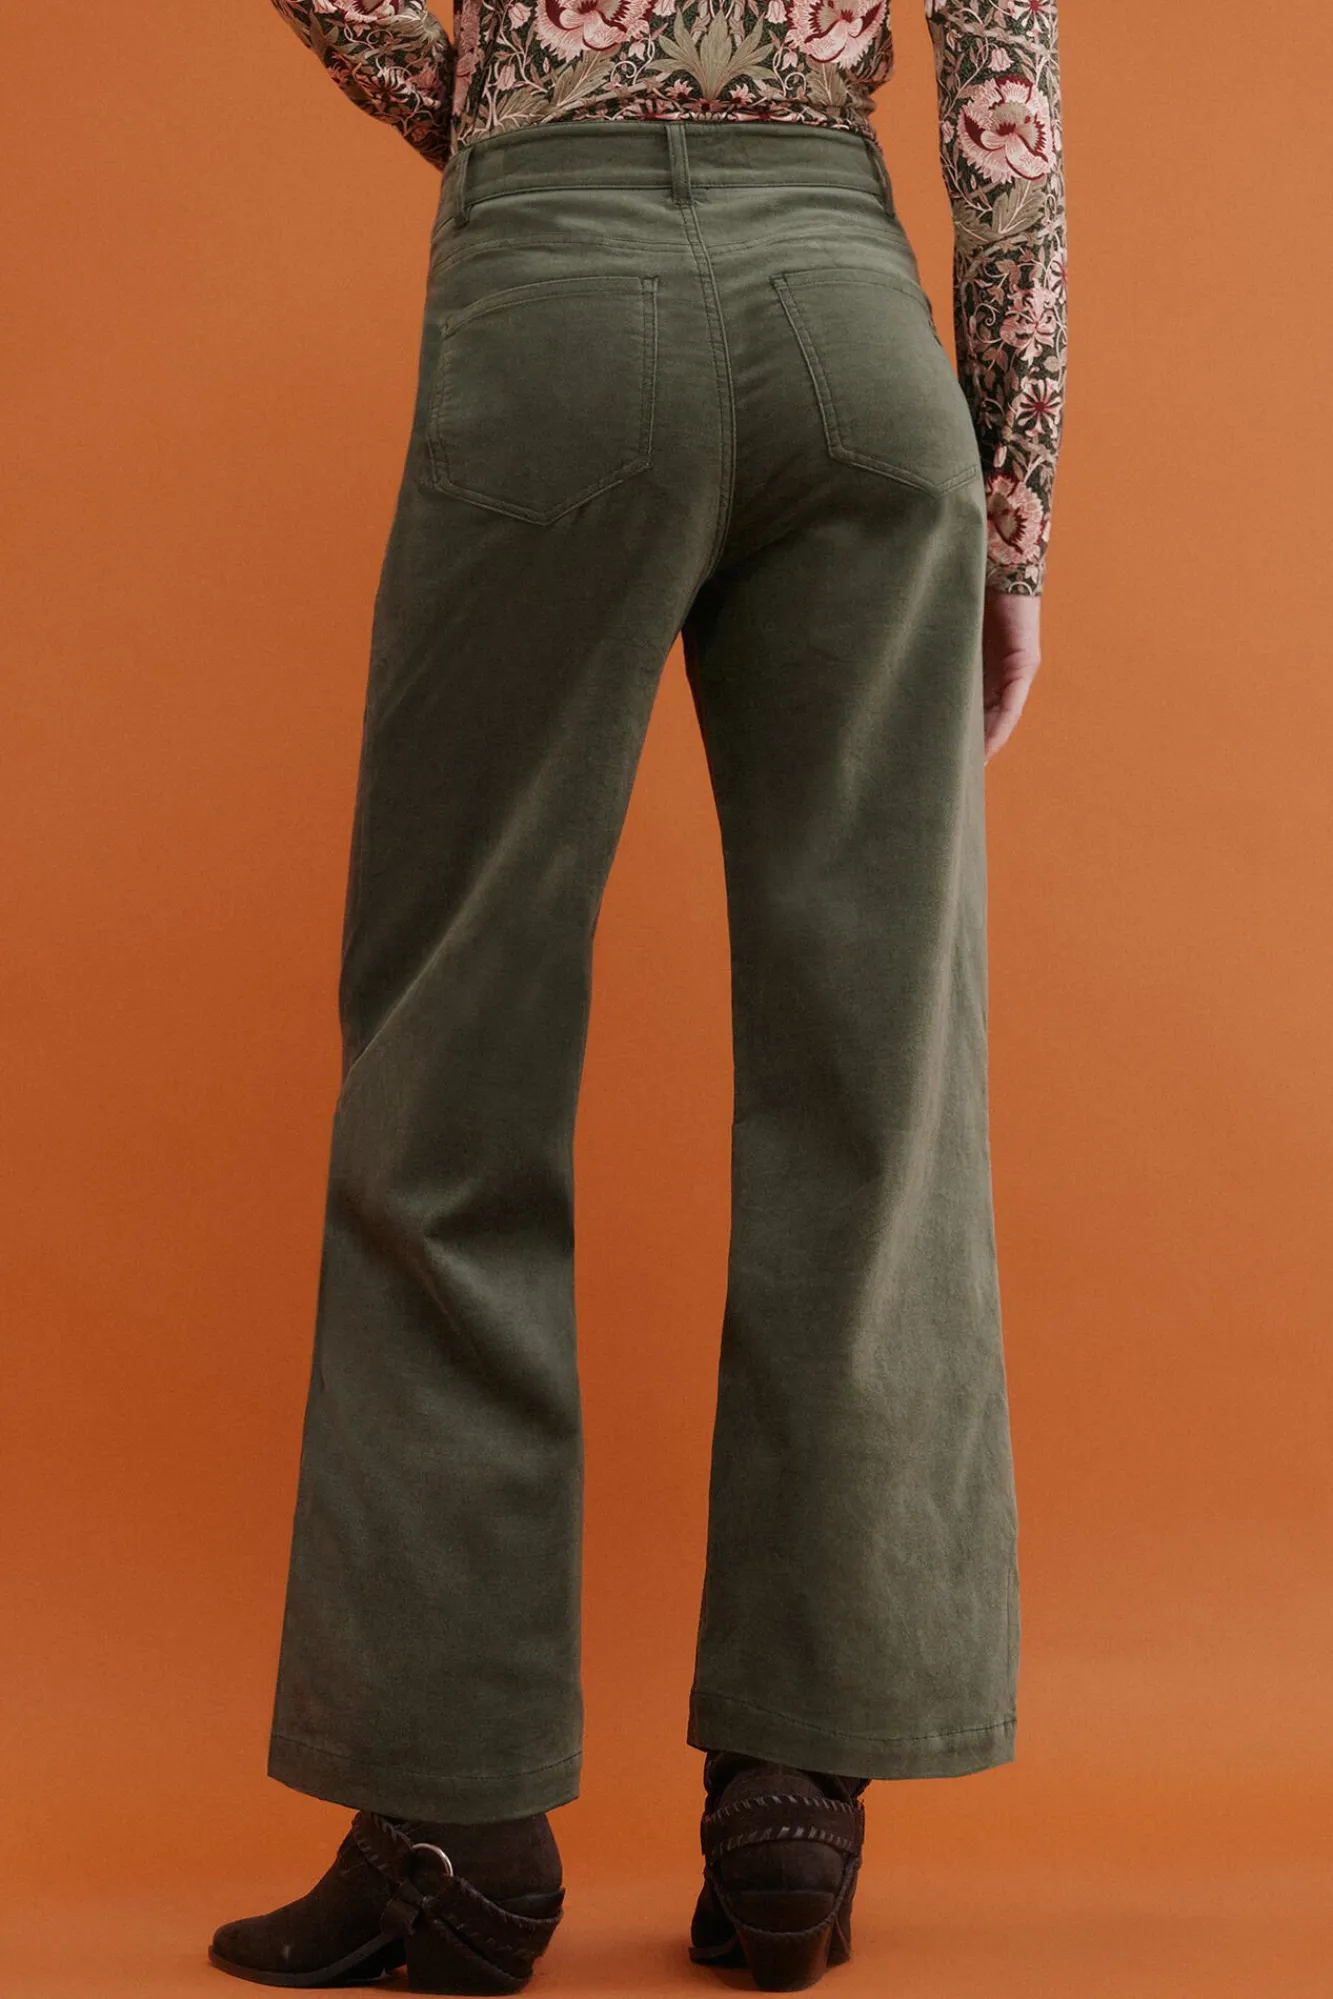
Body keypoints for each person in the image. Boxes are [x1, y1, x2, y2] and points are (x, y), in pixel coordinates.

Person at [209, 1, 1067, 1990]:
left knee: (454, 1066)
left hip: (561, 299)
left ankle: (453, 1823)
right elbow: (1005, 94)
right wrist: (1016, 513)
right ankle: (797, 1793)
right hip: (852, 326)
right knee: (875, 1078)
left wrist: (510, 99)